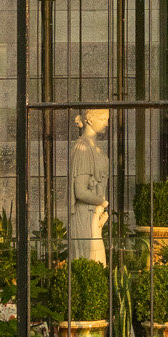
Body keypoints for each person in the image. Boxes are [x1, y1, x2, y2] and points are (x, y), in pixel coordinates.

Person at [66, 108, 113, 264]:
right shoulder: (83, 148)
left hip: (94, 213)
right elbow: (80, 191)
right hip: (85, 215)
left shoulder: (94, 147)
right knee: (92, 261)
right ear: (90, 120)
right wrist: (102, 202)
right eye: (103, 119)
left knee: (97, 263)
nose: (107, 123)